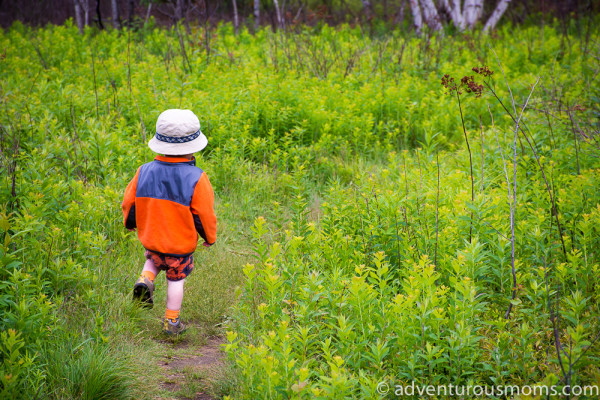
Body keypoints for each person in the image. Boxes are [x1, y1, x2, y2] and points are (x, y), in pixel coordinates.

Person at [121, 109, 217, 335]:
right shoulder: (197, 178)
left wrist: (130, 223)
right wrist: (209, 238)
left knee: (153, 261)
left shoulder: (143, 171)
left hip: (152, 239)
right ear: (192, 147)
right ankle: (171, 322)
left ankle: (145, 280)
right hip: (179, 245)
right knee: (176, 281)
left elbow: (129, 202)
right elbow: (204, 214)